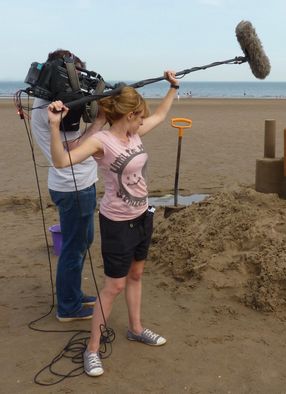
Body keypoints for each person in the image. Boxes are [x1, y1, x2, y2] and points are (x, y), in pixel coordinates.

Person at [47, 72, 180, 377]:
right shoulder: (101, 141)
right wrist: (55, 127)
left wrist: (173, 87)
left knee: (136, 274)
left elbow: (160, 114)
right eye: (139, 117)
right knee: (114, 286)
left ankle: (135, 328)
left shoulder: (134, 133)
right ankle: (92, 348)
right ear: (129, 115)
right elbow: (61, 161)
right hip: (116, 222)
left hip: (142, 215)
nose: (142, 122)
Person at [31, 49, 106, 322]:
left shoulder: (52, 101)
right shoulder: (48, 109)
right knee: (74, 247)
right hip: (72, 187)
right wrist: (99, 122)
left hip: (78, 185)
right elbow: (73, 147)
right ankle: (68, 307)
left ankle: (72, 293)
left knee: (82, 241)